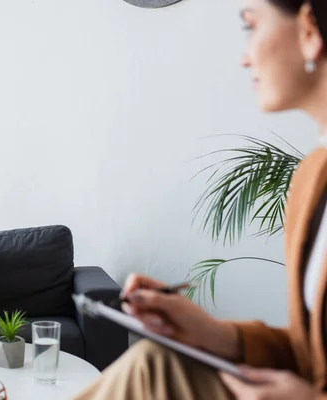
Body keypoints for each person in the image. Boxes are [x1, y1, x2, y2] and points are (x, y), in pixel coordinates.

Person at [74, 0, 327, 399]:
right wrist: (212, 332)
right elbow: (309, 355)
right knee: (153, 363)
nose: (244, 58)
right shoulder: (313, 178)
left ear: (310, 31)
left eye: (251, 25)